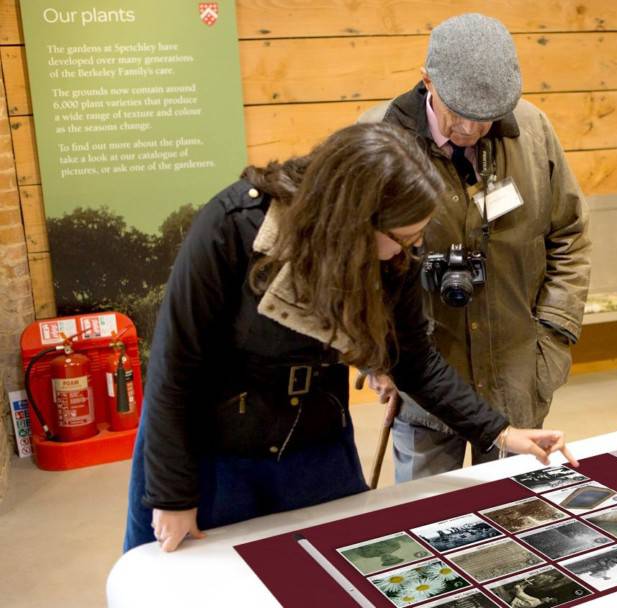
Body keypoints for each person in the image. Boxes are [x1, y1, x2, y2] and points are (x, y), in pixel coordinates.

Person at [123, 123, 577, 553]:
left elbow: (415, 362)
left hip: (315, 439)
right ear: (353, 224)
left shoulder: (395, 253)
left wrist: (503, 433)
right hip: (215, 448)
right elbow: (174, 369)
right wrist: (174, 495)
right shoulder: (233, 225)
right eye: (401, 237)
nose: (409, 250)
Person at [359, 13, 590, 482]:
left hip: (518, 375)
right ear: (427, 80)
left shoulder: (534, 131)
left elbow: (570, 235)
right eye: (458, 111)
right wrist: (375, 356)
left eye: (486, 117)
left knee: (514, 518)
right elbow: (351, 264)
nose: (469, 128)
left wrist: (554, 337)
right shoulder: (377, 140)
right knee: (426, 522)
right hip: (422, 384)